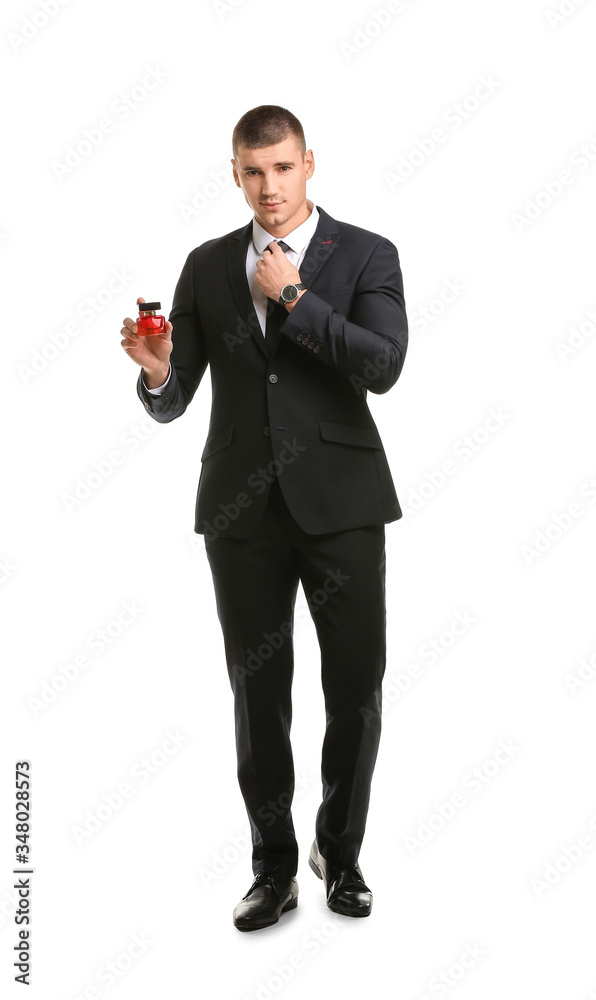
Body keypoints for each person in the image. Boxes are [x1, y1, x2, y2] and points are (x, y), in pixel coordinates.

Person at [120, 105, 408, 932]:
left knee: (355, 687)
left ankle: (339, 854)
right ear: (235, 174)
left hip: (343, 504)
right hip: (241, 513)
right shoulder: (207, 265)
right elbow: (175, 399)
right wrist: (157, 373)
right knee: (257, 695)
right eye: (253, 172)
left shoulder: (367, 253)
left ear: (308, 164)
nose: (269, 188)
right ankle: (273, 866)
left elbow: (384, 364)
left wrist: (296, 297)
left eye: (282, 168)